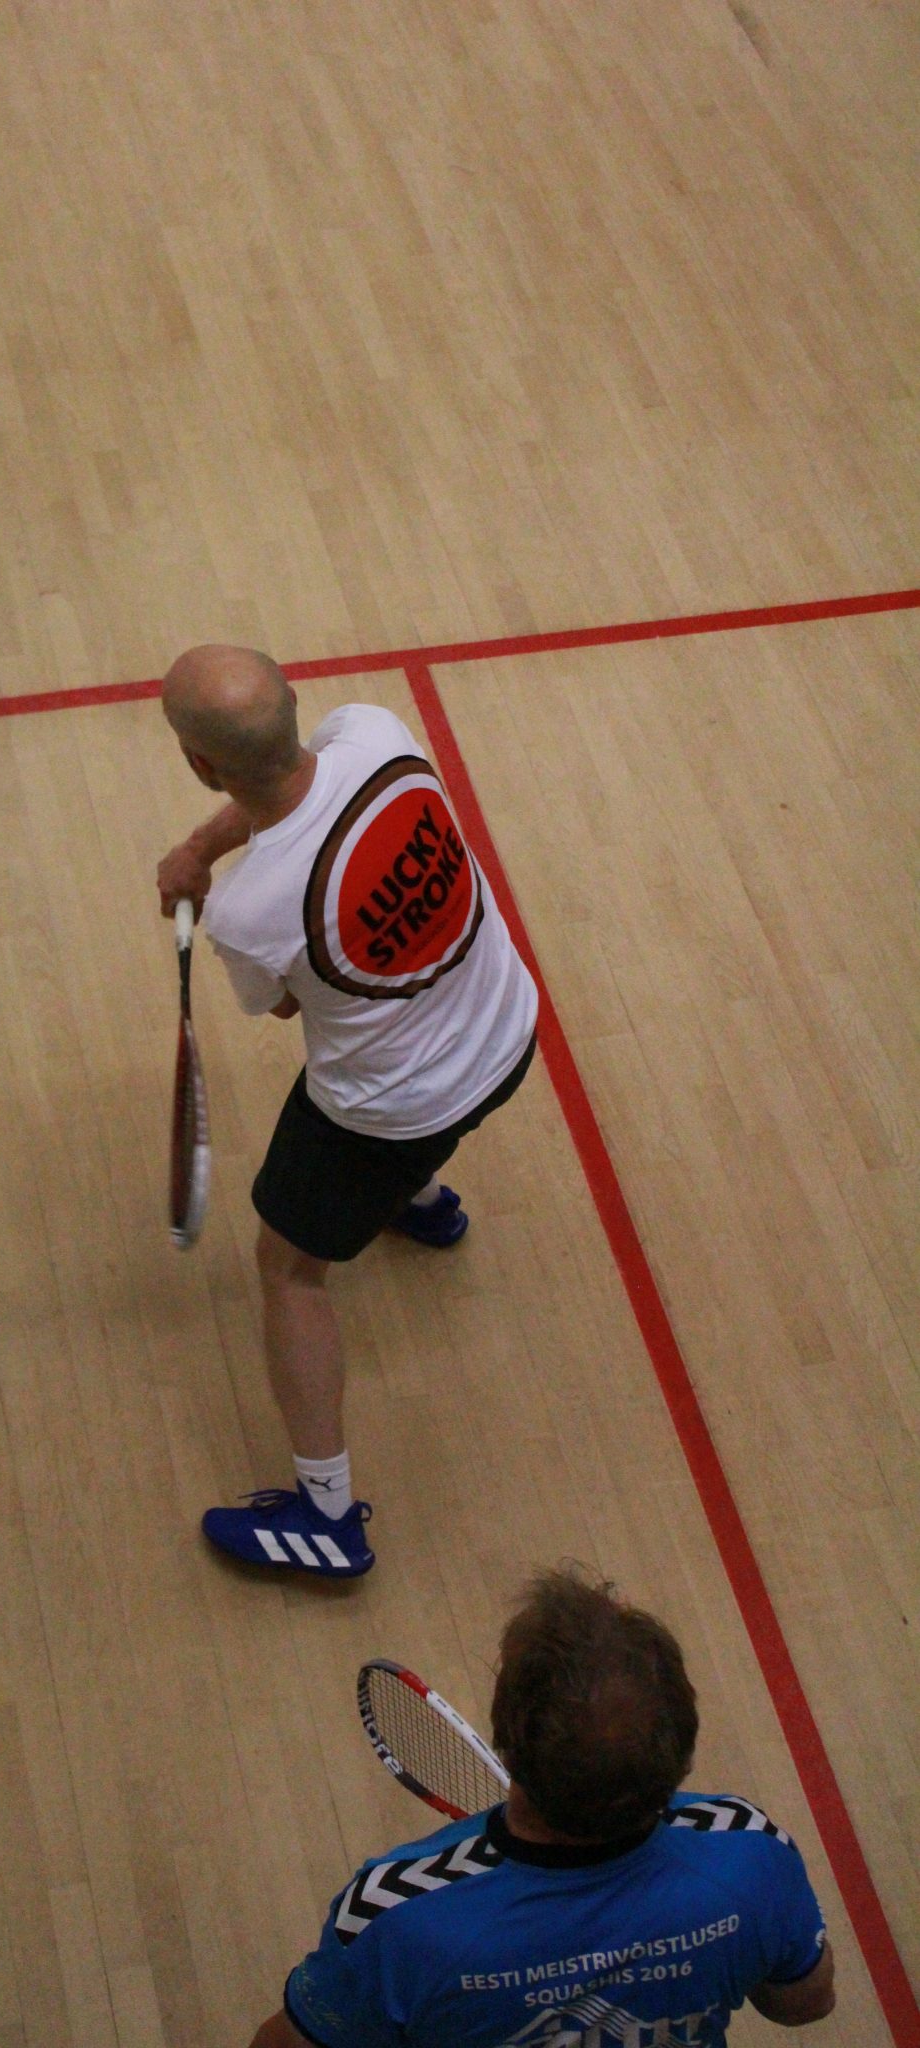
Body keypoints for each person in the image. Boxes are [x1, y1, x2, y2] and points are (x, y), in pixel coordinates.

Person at [156, 645, 538, 1578]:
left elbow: (290, 1007)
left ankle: (326, 1518)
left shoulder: (249, 916)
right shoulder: (377, 734)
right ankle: (419, 1205)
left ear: (199, 764)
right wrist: (201, 850)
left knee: (288, 1269)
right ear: (296, 704)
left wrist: (210, 868)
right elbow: (292, 806)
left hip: (395, 1111)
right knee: (410, 1101)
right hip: (509, 1025)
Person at [247, 1567, 836, 2047]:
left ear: (506, 1739)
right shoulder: (749, 1855)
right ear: (681, 1753)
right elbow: (804, 2004)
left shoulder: (394, 1918)